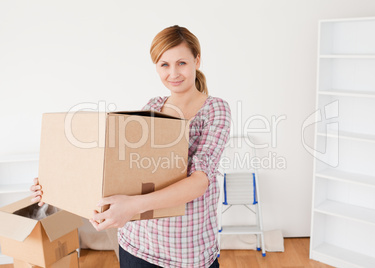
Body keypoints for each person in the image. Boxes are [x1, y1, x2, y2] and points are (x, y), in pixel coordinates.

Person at [31, 25, 231, 268]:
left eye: (182, 63)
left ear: (197, 61)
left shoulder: (215, 110)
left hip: (187, 251)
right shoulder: (153, 106)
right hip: (137, 244)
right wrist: (53, 186)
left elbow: (200, 180)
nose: (173, 73)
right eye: (164, 65)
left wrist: (133, 205)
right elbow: (124, 169)